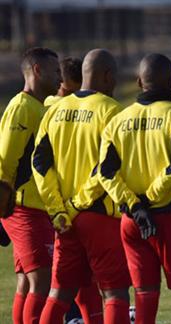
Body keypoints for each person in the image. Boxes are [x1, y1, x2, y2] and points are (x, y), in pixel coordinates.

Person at [98, 53, 171, 324]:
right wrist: (150, 199)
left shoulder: (118, 121)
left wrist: (135, 206)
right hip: (168, 217)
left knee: (145, 293)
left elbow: (104, 172)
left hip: (133, 222)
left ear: (138, 82)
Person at [32, 48, 131, 324]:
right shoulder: (112, 110)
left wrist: (57, 209)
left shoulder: (55, 109)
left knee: (59, 293)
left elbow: (39, 164)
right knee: (114, 292)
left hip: (64, 220)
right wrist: (78, 204)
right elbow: (107, 168)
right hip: (100, 217)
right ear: (108, 76)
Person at [0, 47, 61, 324]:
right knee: (43, 281)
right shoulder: (22, 107)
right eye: (55, 69)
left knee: (26, 281)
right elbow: (5, 161)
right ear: (37, 70)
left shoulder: (39, 106)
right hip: (24, 208)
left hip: (36, 208)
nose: (60, 75)